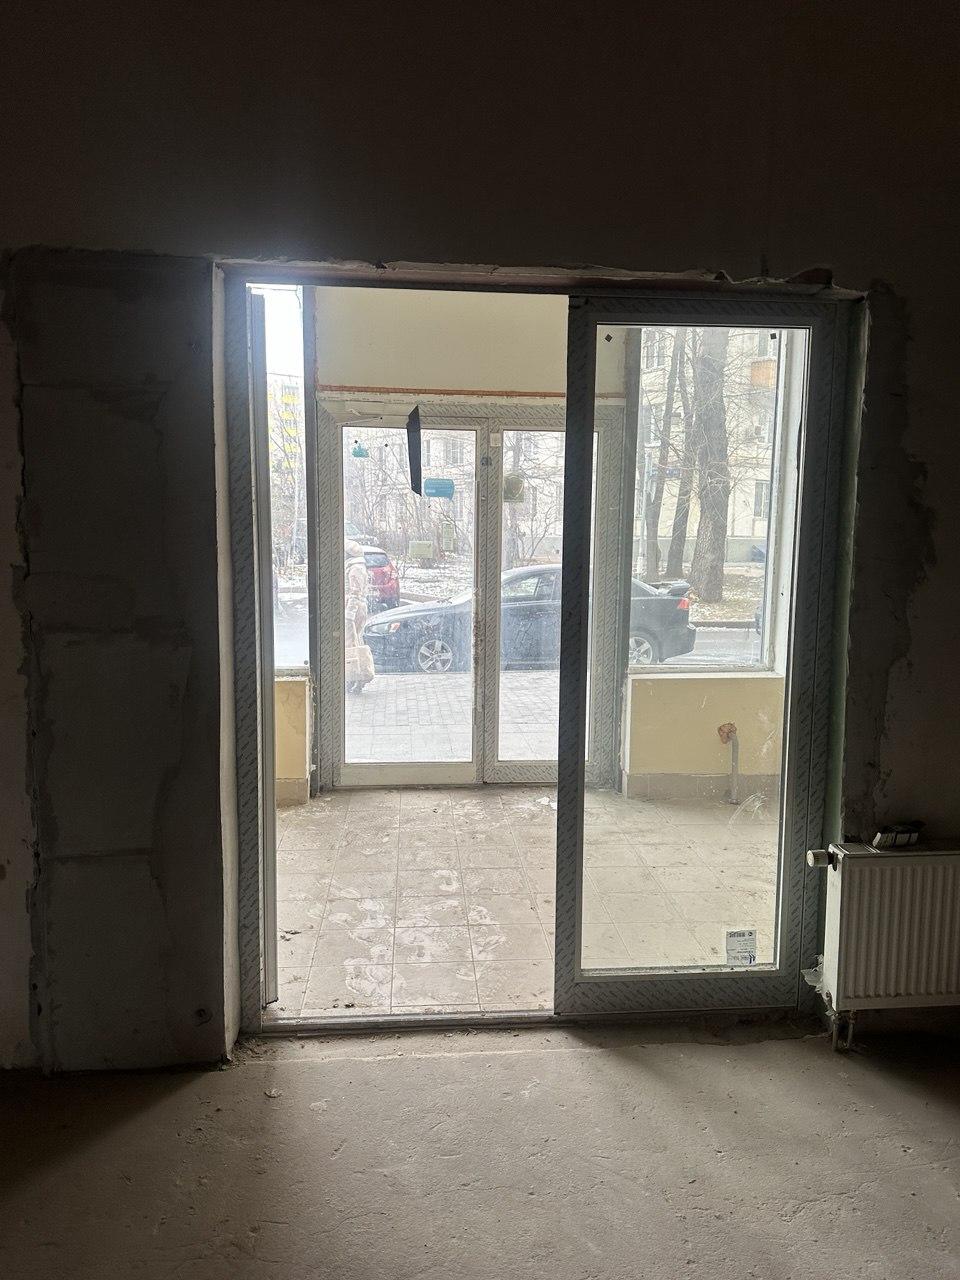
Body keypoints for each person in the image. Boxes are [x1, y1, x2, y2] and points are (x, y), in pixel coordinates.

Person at [344, 540, 375, 694]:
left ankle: (355, 677)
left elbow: (355, 592)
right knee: (355, 642)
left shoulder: (355, 569)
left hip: (354, 610)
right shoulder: (358, 567)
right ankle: (358, 678)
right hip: (358, 608)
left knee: (351, 645)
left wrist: (349, 614)